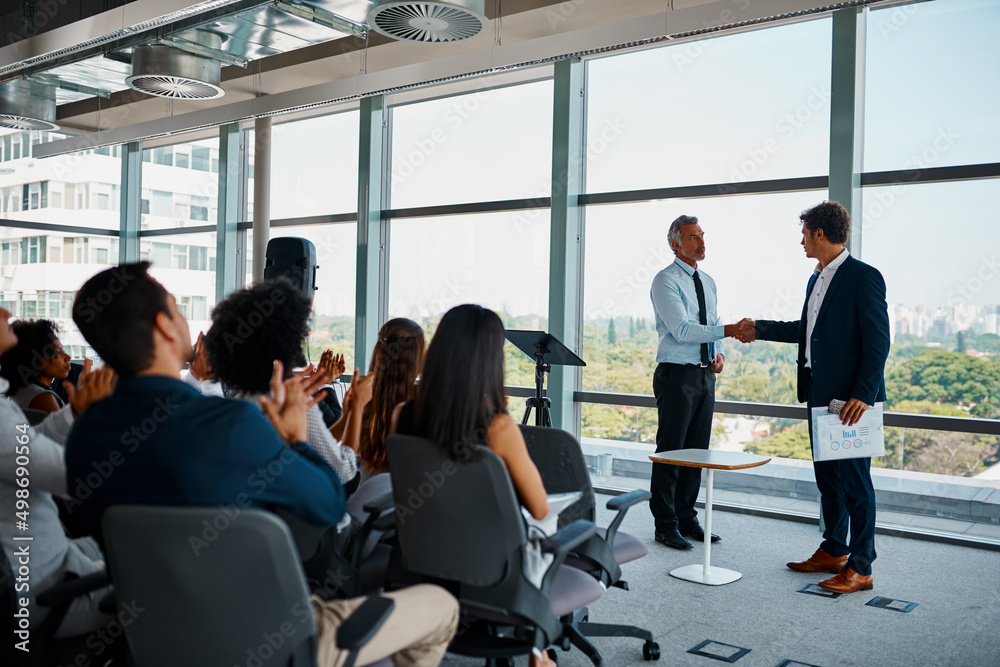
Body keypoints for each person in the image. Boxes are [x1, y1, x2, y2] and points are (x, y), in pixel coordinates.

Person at [65, 263, 459, 666]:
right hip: (271, 636)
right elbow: (329, 503)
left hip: (155, 642)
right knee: (440, 607)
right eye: (177, 309)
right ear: (164, 327)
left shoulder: (84, 440)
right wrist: (295, 439)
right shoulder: (230, 427)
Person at [389, 303, 552, 667]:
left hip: (422, 562)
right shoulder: (499, 427)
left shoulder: (403, 415)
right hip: (494, 577)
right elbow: (540, 507)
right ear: (490, 362)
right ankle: (537, 650)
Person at [740, 200, 890, 593]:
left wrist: (863, 394)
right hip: (819, 395)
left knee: (857, 485)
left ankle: (862, 567)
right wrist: (759, 328)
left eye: (804, 233)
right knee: (829, 481)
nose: (801, 240)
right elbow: (806, 331)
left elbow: (878, 342)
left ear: (819, 233)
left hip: (850, 403)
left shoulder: (863, 277)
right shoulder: (816, 279)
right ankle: (835, 549)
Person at [0, 306, 117, 638]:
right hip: (44, 592)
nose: (6, 311)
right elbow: (72, 475)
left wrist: (77, 410)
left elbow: (27, 445)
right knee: (165, 580)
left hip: (44, 562)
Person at [649, 215, 750, 550]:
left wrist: (719, 351)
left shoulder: (708, 281)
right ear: (676, 243)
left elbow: (713, 322)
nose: (702, 242)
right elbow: (682, 330)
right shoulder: (665, 281)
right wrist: (731, 331)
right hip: (677, 374)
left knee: (696, 452)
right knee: (672, 451)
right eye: (693, 237)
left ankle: (686, 518)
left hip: (704, 374)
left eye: (702, 235)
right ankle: (665, 524)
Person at [358, 318, 425, 479]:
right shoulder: (419, 402)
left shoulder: (363, 394)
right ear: (413, 356)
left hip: (367, 490)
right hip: (400, 495)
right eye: (423, 347)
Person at [0, 319, 73, 414]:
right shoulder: (42, 398)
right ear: (35, 358)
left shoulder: (20, 392)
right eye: (58, 352)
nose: (68, 357)